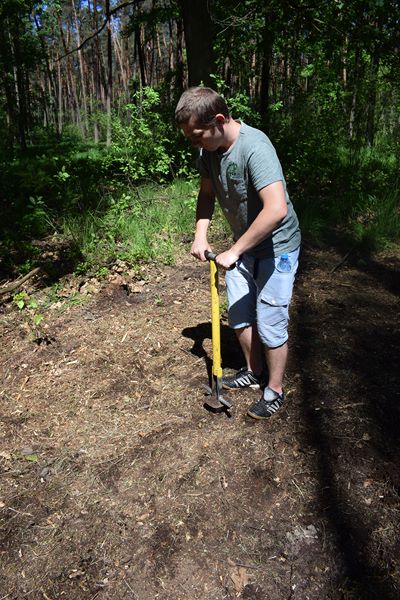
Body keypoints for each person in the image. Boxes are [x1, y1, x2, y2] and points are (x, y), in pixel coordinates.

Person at [175, 87, 301, 420]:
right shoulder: (208, 151)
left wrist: (235, 250)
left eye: (197, 135)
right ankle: (253, 371)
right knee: (240, 314)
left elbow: (276, 209)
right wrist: (200, 235)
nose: (194, 143)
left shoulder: (255, 147)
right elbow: (206, 194)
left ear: (219, 120)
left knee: (271, 321)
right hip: (244, 245)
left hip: (277, 248)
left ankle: (274, 390)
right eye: (189, 137)